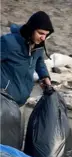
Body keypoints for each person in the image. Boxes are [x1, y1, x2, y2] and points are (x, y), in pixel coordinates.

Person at [1, 11, 54, 145]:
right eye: (40, 33)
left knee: (15, 142)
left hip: (21, 102)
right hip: (4, 103)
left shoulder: (38, 45)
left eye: (46, 35)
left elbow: (39, 61)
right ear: (31, 29)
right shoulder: (9, 43)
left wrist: (45, 76)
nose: (43, 38)